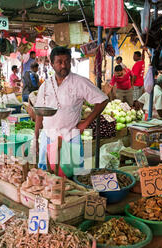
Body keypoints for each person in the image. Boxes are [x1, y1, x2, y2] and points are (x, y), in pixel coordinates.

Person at [34, 46, 109, 178]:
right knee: (45, 176)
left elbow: (102, 100)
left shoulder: (79, 82)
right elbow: (39, 112)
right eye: (60, 62)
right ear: (52, 64)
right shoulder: (45, 85)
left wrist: (85, 123)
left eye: (67, 61)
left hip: (70, 136)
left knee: (73, 177)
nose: (64, 65)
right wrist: (36, 138)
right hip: (48, 136)